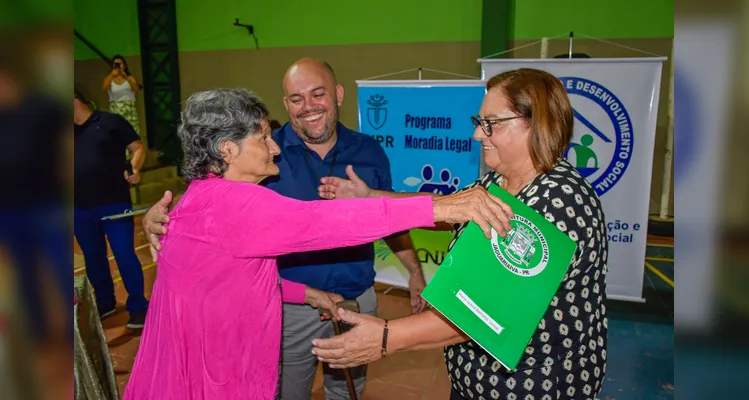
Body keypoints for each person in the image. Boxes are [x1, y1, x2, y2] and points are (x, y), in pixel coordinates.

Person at [123, 88, 513, 400]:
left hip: (175, 371)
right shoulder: (238, 203)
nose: (274, 146)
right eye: (262, 137)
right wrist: (443, 205)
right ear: (227, 150)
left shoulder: (196, 197)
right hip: (217, 378)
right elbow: (328, 222)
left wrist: (304, 292)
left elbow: (222, 280)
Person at [312, 68, 609, 400]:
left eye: (490, 123)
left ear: (535, 124)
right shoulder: (499, 182)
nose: (478, 135)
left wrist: (385, 337)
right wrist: (371, 197)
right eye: (478, 122)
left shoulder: (556, 200)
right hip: (476, 384)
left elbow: (483, 312)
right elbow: (444, 209)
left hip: (535, 387)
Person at [143, 58, 431, 399]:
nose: (307, 106)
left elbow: (207, 200)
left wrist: (413, 269)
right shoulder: (262, 162)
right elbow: (312, 223)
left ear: (338, 94)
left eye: (317, 94)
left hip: (349, 297)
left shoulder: (368, 150)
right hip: (282, 315)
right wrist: (446, 206)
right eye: (296, 99)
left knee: (348, 390)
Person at [74, 89, 149, 329]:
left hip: (114, 202)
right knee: (93, 257)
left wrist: (135, 169)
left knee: (124, 254)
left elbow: (138, 148)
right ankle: (105, 302)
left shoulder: (110, 122)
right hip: (79, 207)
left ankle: (138, 306)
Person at [101, 55, 142, 142]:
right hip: (116, 109)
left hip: (129, 109)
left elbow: (136, 89)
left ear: (124, 66)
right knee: (118, 135)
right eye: (116, 64)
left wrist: (126, 77)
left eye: (120, 64)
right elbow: (104, 87)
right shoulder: (110, 79)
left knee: (132, 134)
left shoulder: (130, 78)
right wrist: (111, 75)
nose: (118, 66)